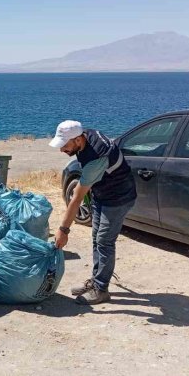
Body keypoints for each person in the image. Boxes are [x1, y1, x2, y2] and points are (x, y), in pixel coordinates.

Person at [50, 120, 137, 305]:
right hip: (102, 193)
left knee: (104, 241)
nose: (62, 150)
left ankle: (101, 290)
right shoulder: (85, 134)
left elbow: (76, 198)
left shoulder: (96, 157)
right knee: (97, 238)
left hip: (118, 198)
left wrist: (63, 230)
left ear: (78, 140)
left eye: (65, 145)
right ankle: (96, 282)